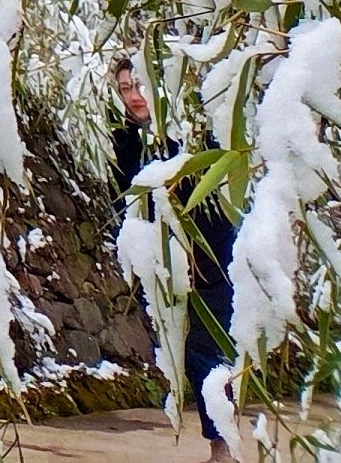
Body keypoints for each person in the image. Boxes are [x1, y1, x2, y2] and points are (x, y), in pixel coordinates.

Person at [117, 59, 237, 463]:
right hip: (169, 272)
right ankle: (222, 445)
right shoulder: (127, 143)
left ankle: (224, 449)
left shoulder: (191, 134)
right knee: (191, 354)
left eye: (138, 85)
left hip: (212, 263)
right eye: (124, 89)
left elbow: (217, 199)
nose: (133, 96)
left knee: (209, 352)